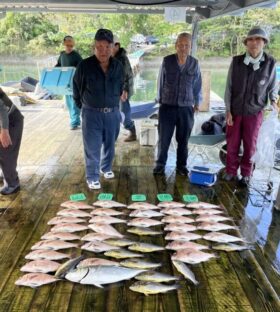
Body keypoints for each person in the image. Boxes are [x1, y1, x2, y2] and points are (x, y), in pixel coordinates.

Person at [224, 26, 279, 186]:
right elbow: (228, 88)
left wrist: (274, 101)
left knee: (250, 144)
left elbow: (272, 88)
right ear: (246, 43)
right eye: (251, 40)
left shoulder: (270, 63)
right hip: (235, 110)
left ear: (264, 43)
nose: (254, 43)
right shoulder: (236, 62)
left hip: (255, 112)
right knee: (232, 142)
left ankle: (247, 173)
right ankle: (231, 171)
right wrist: (228, 110)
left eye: (258, 39)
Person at [73, 29, 125, 190]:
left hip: (113, 112)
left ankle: (106, 168)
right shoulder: (84, 65)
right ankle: (93, 176)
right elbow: (76, 88)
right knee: (92, 146)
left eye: (106, 47)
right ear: (94, 47)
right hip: (91, 113)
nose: (103, 51)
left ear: (112, 47)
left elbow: (121, 85)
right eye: (99, 47)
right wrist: (84, 108)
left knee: (110, 142)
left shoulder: (118, 66)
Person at [153, 32, 202, 176]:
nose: (183, 48)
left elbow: (198, 84)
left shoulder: (195, 63)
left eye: (186, 45)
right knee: (164, 138)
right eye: (180, 45)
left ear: (190, 47)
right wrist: (159, 99)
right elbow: (160, 82)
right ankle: (160, 165)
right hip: (167, 106)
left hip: (186, 107)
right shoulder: (167, 61)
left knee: (183, 140)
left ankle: (181, 166)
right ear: (176, 46)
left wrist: (197, 102)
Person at [112, 36, 136, 142]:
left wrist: (124, 90)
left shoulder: (122, 58)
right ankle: (113, 134)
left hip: (123, 91)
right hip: (115, 90)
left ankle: (132, 130)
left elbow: (126, 75)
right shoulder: (113, 57)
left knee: (124, 112)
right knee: (114, 113)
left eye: (110, 46)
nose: (108, 48)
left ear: (117, 46)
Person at [56, 35, 83, 130]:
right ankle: (75, 120)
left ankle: (74, 123)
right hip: (65, 83)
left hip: (75, 83)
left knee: (75, 102)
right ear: (64, 44)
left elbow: (82, 67)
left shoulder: (76, 55)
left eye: (71, 45)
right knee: (69, 103)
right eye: (67, 44)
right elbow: (58, 65)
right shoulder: (62, 55)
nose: (69, 46)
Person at [0, 88, 24, 195]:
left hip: (11, 120)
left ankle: (12, 183)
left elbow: (2, 109)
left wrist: (4, 131)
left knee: (6, 152)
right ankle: (5, 173)